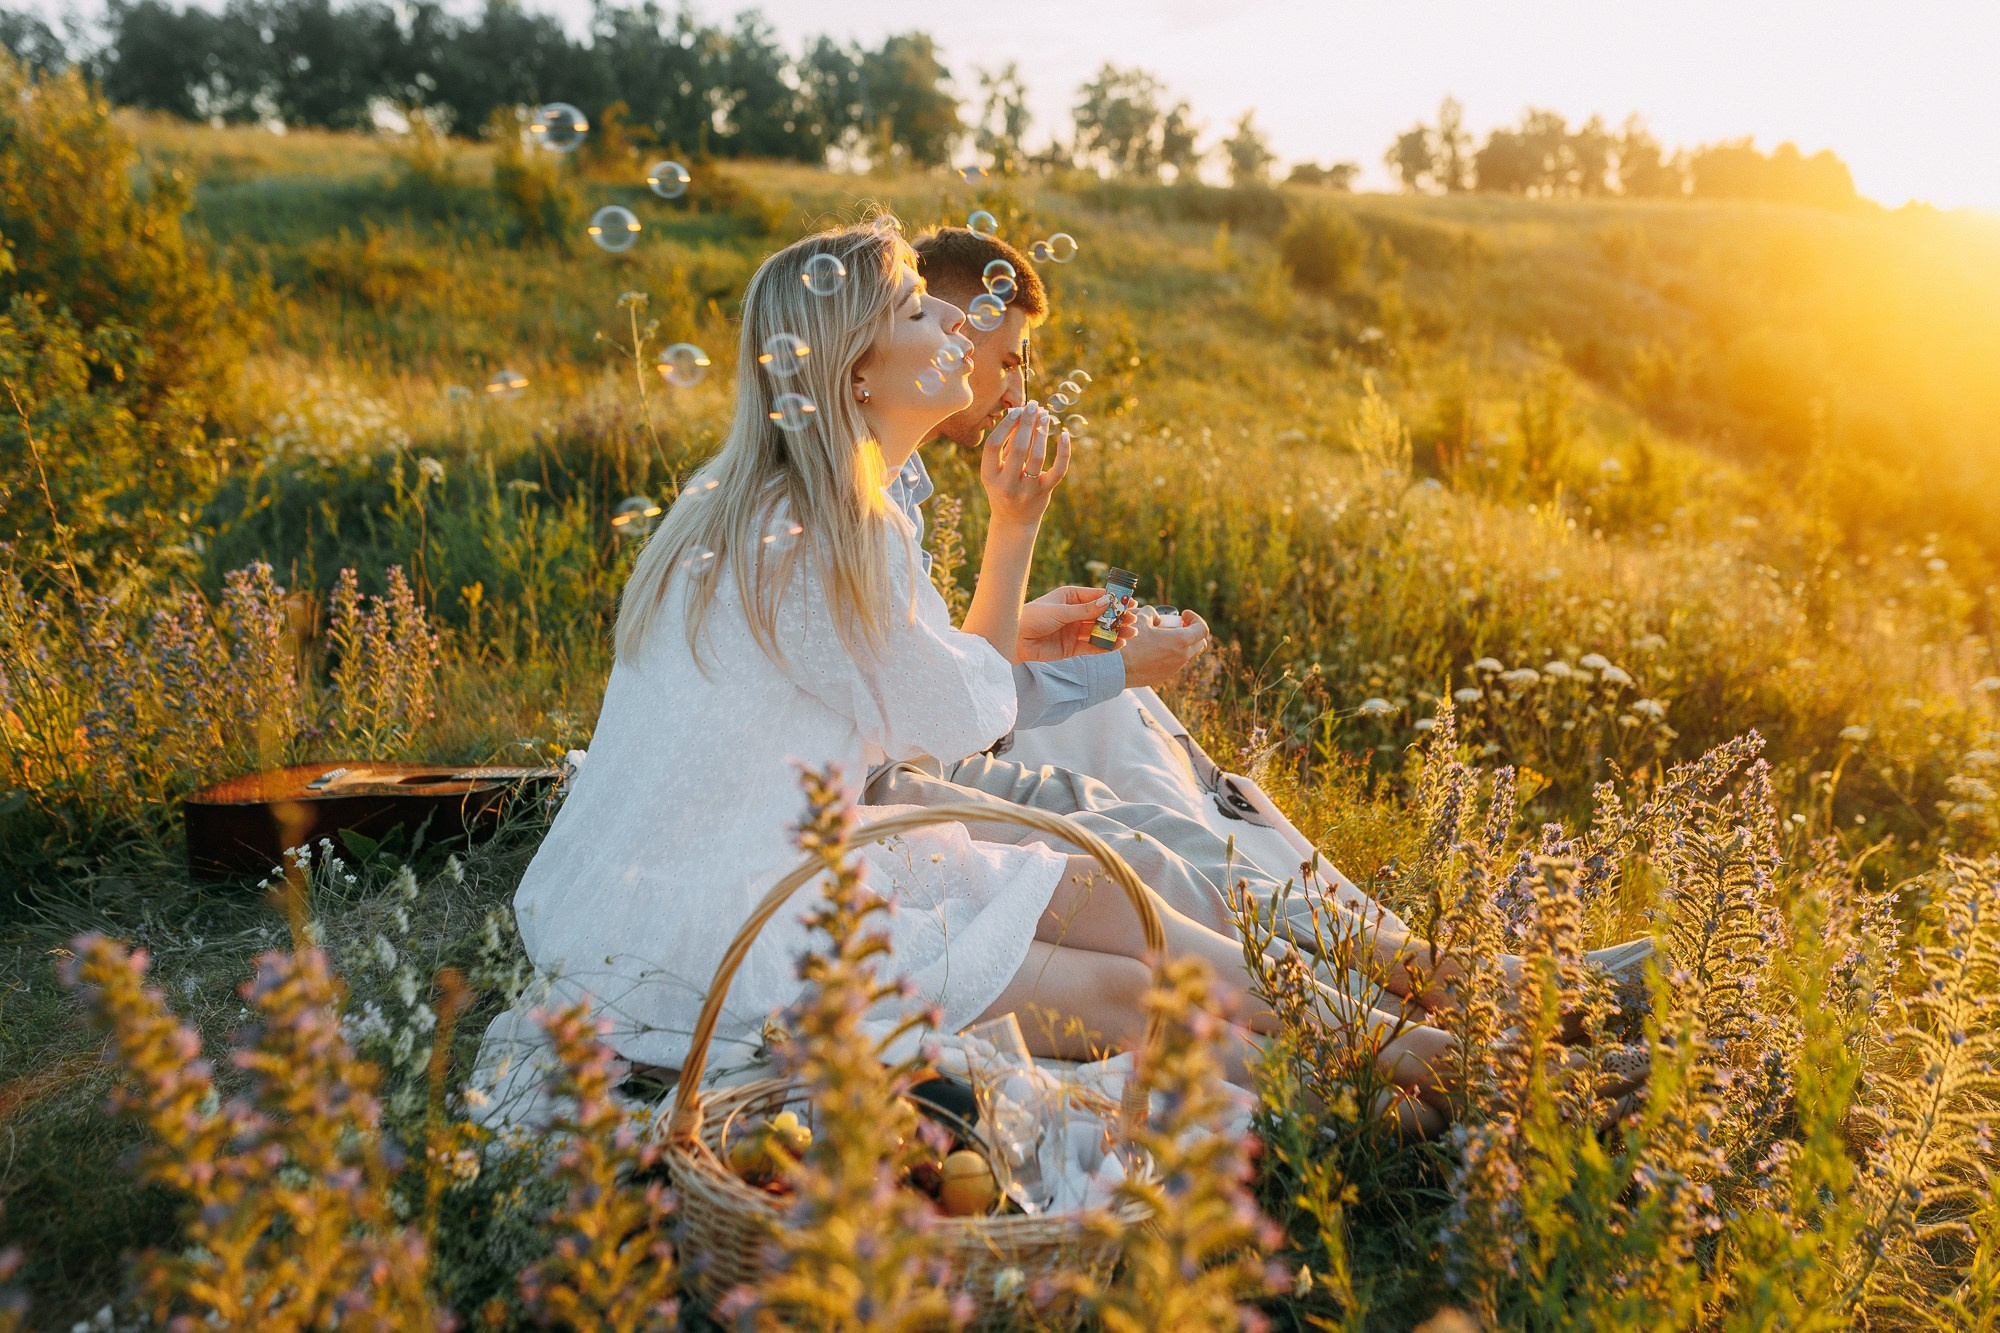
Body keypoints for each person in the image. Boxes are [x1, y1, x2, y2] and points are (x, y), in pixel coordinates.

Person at [491, 221, 1463, 1132]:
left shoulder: (811, 501)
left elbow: (930, 689)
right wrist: (1024, 541)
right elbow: (958, 718)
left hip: (764, 851)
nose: (956, 320)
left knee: (1110, 894)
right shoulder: (829, 529)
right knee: (1120, 996)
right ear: (855, 371)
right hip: (704, 917)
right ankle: (1393, 1096)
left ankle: (1420, 1045)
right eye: (917, 310)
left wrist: (1011, 613)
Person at [871, 226, 1656, 1022]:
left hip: (926, 767)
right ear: (950, 336)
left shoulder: (903, 481)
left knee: (1159, 824)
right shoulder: (855, 493)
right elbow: (952, 710)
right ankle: (1427, 1011)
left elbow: (934, 666)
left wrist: (1035, 622)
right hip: (901, 795)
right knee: (1152, 845)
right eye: (1008, 358)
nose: (1020, 385)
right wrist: (1103, 648)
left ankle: (1443, 979)